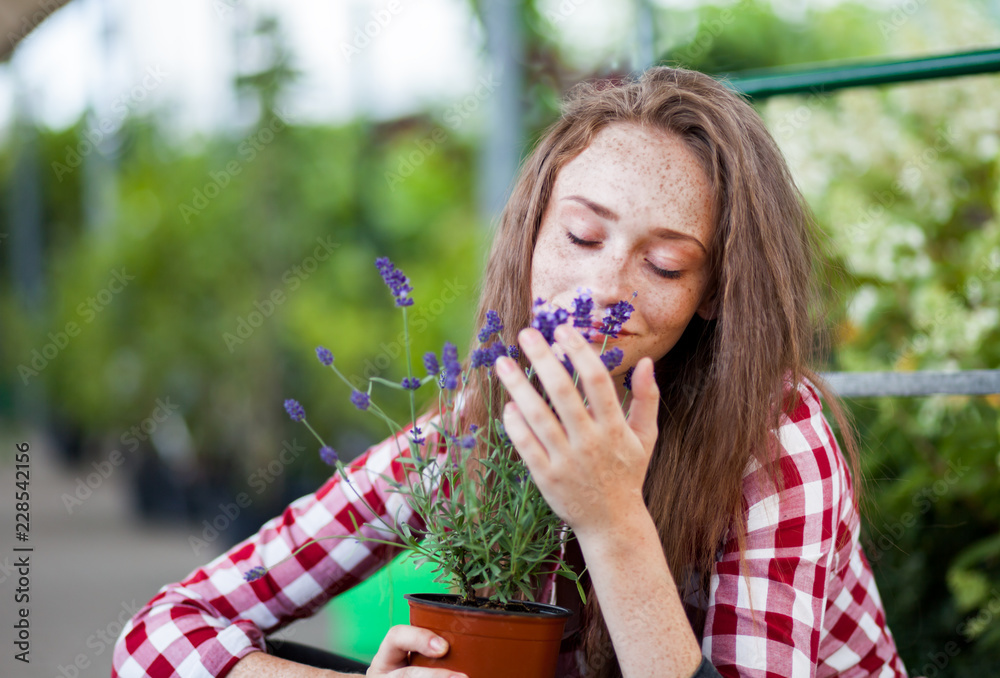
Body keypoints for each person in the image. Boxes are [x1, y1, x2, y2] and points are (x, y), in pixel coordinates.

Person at [112, 66, 910, 678]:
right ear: (531, 236)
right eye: (581, 236)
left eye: (665, 266)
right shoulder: (477, 431)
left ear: (714, 294)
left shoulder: (773, 442)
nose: (604, 293)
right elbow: (158, 636)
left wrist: (609, 517)